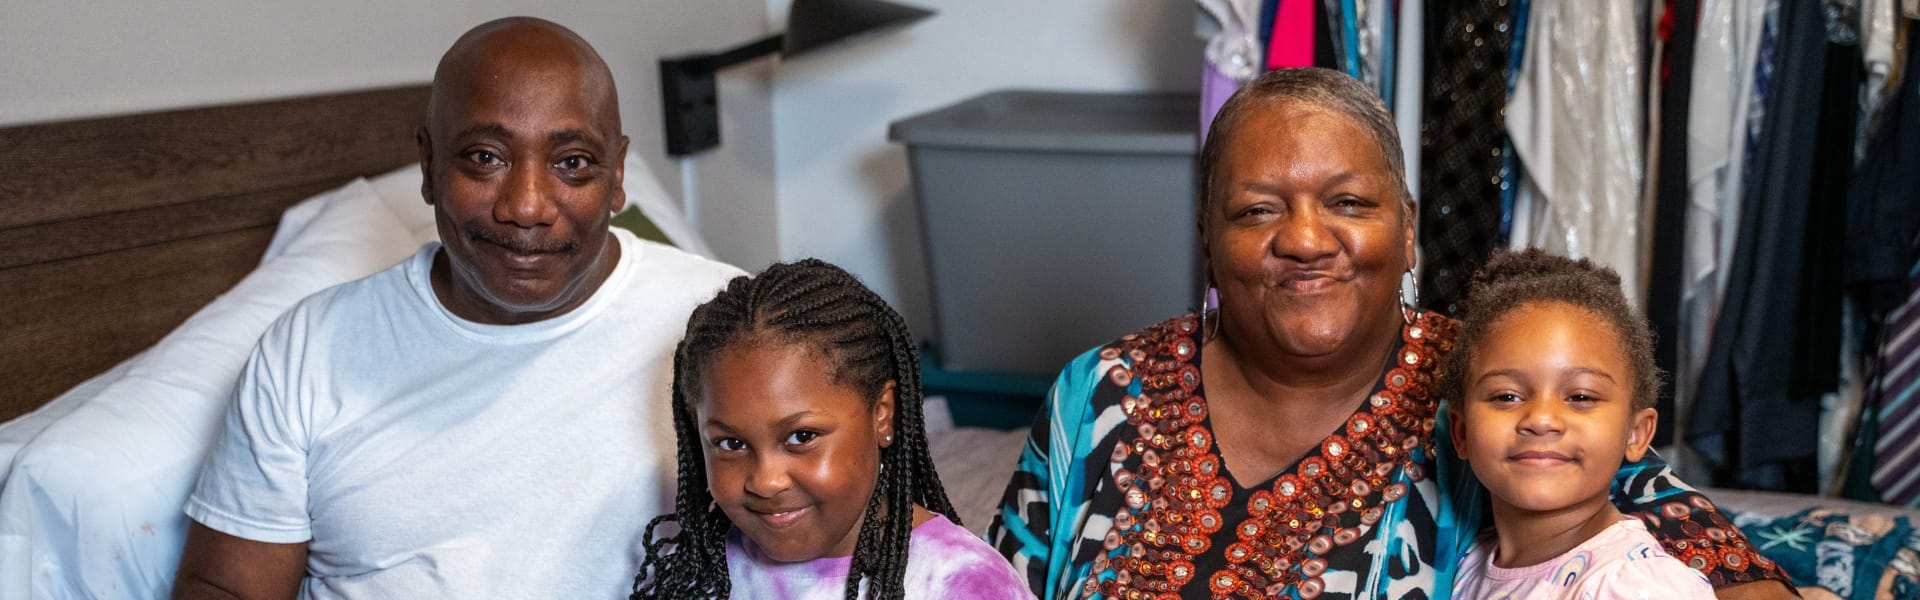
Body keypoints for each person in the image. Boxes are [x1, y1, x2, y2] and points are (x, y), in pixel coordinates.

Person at [986, 67, 1795, 599]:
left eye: (1348, 203)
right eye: (1257, 209)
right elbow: (990, 582)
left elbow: (1722, 569)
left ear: (1408, 231)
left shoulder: (1491, 385)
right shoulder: (1099, 391)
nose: (1305, 239)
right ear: (1207, 237)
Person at [172, 17, 742, 598]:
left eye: (571, 162)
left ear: (617, 173)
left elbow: (826, 551)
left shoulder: (729, 329)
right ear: (428, 165)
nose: (526, 206)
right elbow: (226, 587)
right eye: (485, 157)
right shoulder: (308, 354)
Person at [631, 259, 1030, 600]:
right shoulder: (701, 572)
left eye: (801, 437)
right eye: (731, 443)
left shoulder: (962, 582)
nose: (766, 481)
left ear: (883, 415)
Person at [1445, 249, 1714, 599]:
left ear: (1636, 434)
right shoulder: (1465, 567)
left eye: (1581, 397)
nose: (1541, 420)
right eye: (1506, 396)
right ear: (1461, 432)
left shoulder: (1637, 585)